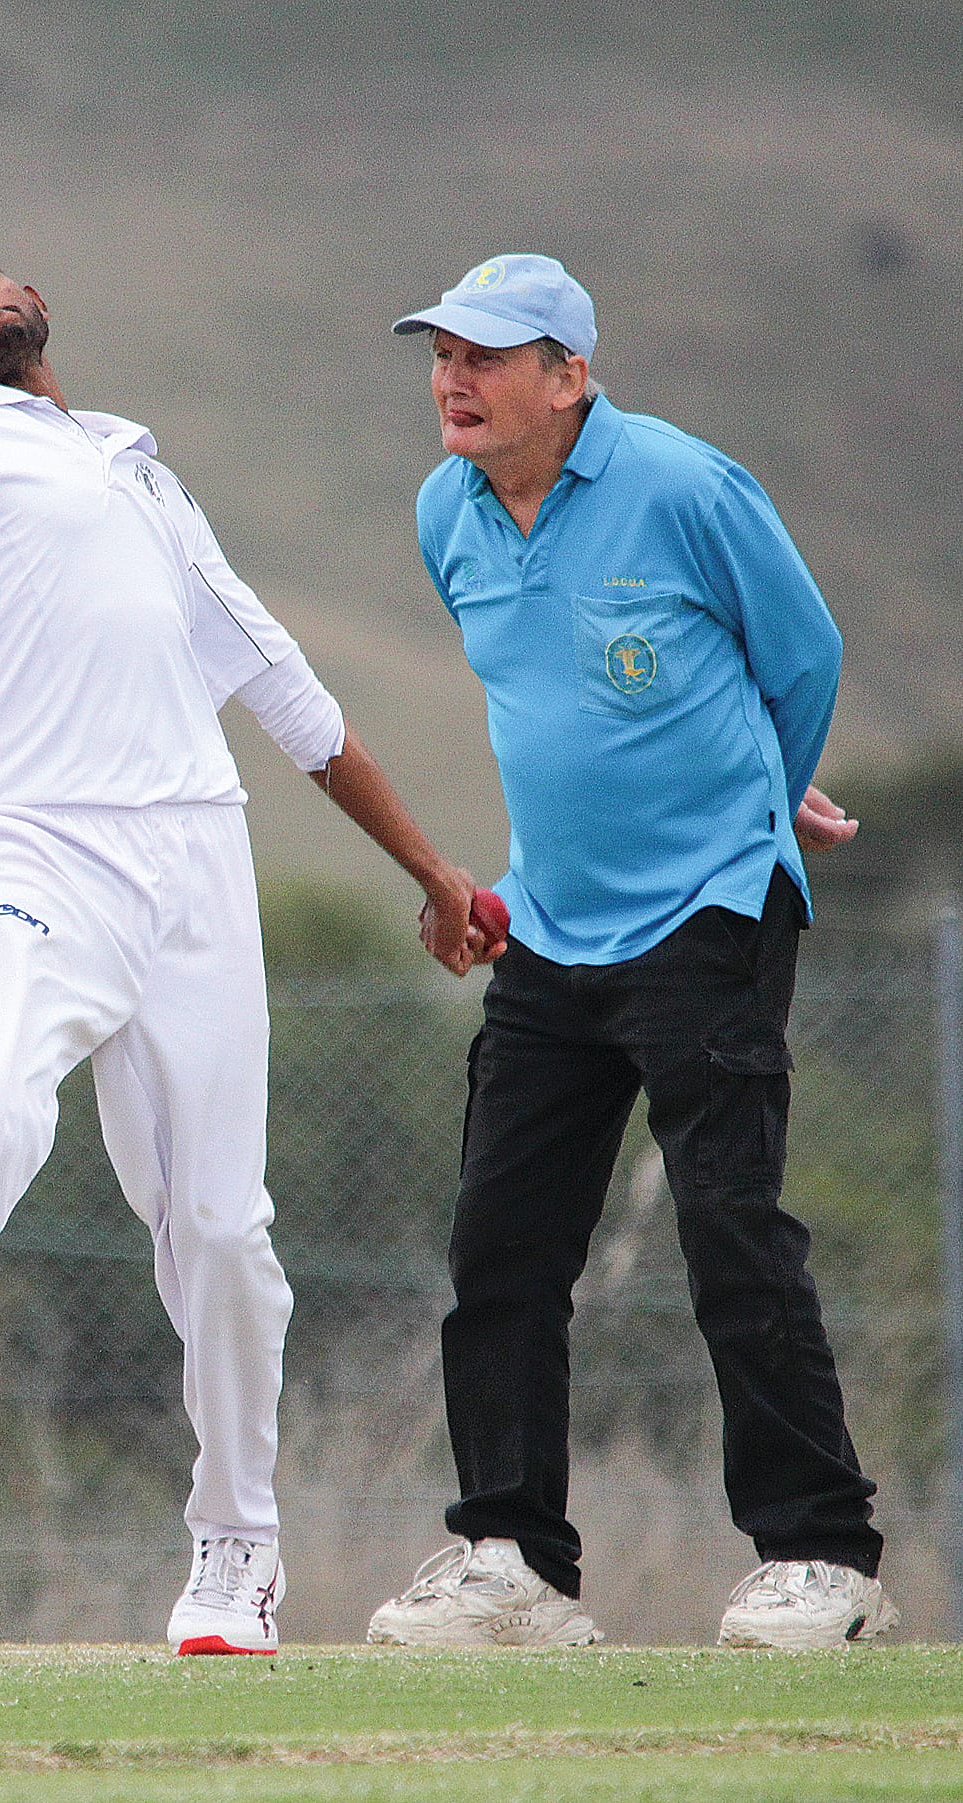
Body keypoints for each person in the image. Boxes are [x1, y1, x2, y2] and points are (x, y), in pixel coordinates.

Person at [0, 225, 491, 1664]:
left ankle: (237, 1547)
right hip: (34, 853)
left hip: (194, 865)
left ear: (21, 291)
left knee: (226, 1235)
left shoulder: (136, 470)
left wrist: (431, 871)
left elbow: (284, 692)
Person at [367, 254, 896, 1651]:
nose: (454, 380)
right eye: (442, 354)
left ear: (570, 375)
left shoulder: (682, 487)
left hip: (712, 911)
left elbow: (802, 658)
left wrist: (759, 804)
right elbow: (554, 699)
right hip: (547, 924)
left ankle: (820, 1559)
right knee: (501, 1249)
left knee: (731, 1231)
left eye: (487, 355)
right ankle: (511, 1567)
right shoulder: (447, 514)